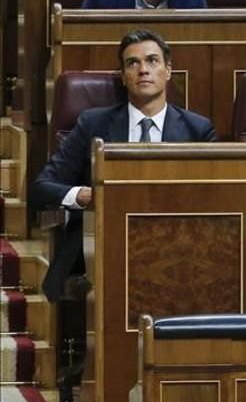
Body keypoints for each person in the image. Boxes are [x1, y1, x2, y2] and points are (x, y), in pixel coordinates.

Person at [31, 28, 216, 301]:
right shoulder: (92, 124)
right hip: (103, 245)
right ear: (123, 76)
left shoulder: (198, 130)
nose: (143, 69)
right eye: (133, 63)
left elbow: (212, 200)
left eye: (152, 61)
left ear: (168, 71)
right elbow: (41, 189)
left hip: (177, 244)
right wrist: (84, 196)